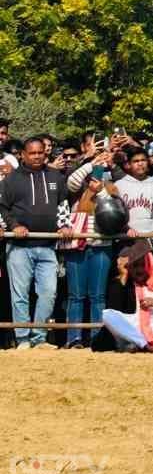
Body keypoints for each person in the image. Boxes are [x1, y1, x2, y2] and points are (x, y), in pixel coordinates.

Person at [0, 136, 73, 349]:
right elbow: (2, 207)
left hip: (48, 246)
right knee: (20, 295)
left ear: (45, 153)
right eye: (32, 153)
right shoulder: (11, 180)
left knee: (49, 293)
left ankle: (39, 338)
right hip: (19, 248)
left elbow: (62, 204)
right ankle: (22, 339)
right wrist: (13, 226)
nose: (37, 156)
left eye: (40, 152)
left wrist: (65, 225)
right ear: (23, 155)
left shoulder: (55, 177)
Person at [60, 154, 116, 347]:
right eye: (95, 167)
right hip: (77, 247)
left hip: (101, 248)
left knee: (98, 296)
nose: (98, 169)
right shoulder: (76, 190)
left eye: (103, 166)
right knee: (75, 296)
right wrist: (92, 162)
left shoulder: (111, 188)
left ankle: (96, 338)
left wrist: (100, 190)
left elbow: (112, 211)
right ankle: (74, 338)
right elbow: (71, 181)